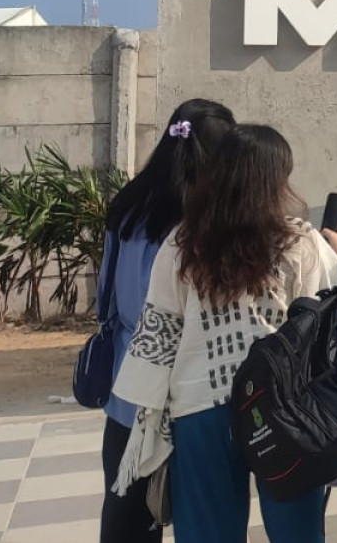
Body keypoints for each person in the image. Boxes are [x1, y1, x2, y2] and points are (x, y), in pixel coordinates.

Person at [110, 124, 337, 543]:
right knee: (296, 532)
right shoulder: (300, 241)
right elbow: (323, 320)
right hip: (281, 406)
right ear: (276, 178)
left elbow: (161, 329)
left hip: (201, 406)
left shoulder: (182, 242)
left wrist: (148, 415)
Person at [94, 99, 235, 543]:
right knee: (205, 520)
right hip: (193, 393)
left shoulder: (128, 204)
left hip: (130, 383)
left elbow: (104, 296)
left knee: (126, 513)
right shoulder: (208, 220)